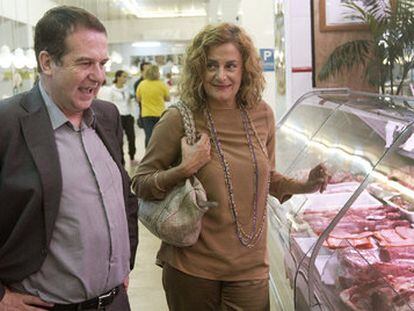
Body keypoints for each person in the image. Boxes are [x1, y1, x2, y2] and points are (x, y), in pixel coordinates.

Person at [132, 23, 328, 311]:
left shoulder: (261, 115)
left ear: (244, 70)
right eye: (211, 65)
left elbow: (268, 177)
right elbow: (141, 183)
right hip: (192, 269)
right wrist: (185, 168)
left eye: (230, 66)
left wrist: (305, 185)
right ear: (199, 69)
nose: (220, 75)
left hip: (250, 268)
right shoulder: (179, 117)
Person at [0, 6, 138, 311]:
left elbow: (123, 198)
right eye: (85, 63)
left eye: (103, 63)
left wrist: (124, 261)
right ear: (47, 62)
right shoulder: (7, 124)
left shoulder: (106, 116)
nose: (99, 76)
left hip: (116, 302)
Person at [136, 64, 170, 147]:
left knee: (149, 136)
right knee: (160, 136)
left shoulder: (142, 84)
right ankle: (160, 154)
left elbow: (138, 99)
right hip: (160, 114)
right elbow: (167, 98)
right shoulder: (162, 84)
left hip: (146, 114)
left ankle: (148, 155)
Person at [109, 70, 137, 165]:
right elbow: (109, 104)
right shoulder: (111, 89)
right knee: (119, 139)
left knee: (132, 138)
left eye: (126, 77)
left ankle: (132, 158)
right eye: (124, 76)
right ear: (118, 77)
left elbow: (132, 99)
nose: (125, 79)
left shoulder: (127, 88)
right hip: (118, 117)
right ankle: (121, 160)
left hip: (128, 115)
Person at [133, 61, 150, 129]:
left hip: (156, 112)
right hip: (145, 112)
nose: (149, 71)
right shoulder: (138, 83)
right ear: (142, 71)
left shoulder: (155, 82)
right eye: (147, 70)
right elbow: (138, 99)